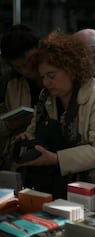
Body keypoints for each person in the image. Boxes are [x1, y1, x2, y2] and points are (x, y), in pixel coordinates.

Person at [16, 31, 95, 204]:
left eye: (51, 76)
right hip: (61, 188)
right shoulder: (46, 97)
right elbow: (35, 128)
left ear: (72, 69)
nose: (46, 82)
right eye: (43, 76)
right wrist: (29, 139)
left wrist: (57, 159)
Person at [0, 24, 42, 170]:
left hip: (48, 154)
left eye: (28, 63)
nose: (25, 70)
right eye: (18, 67)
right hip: (18, 155)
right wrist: (8, 125)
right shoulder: (10, 83)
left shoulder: (53, 77)